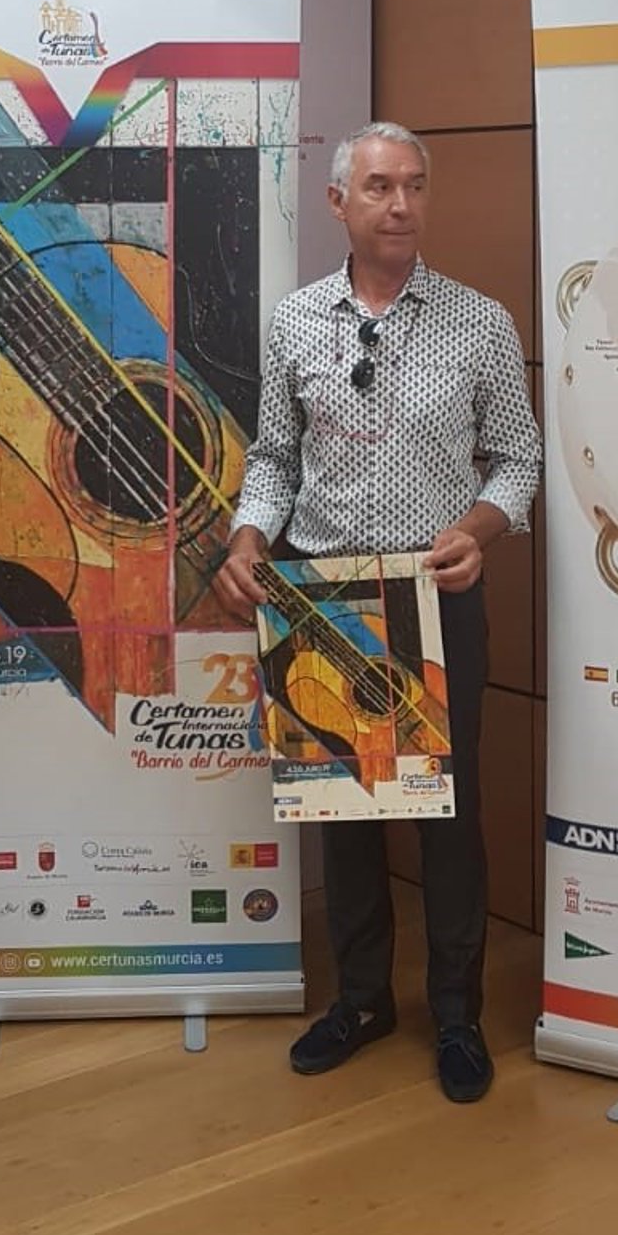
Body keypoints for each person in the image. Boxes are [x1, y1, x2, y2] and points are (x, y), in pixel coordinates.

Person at [214, 123, 542, 1103]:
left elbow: (518, 458)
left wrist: (478, 528)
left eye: (415, 185)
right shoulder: (295, 321)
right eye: (379, 186)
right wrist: (246, 538)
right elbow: (274, 457)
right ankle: (361, 999)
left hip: (434, 595)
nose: (401, 204)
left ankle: (456, 1013)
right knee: (344, 812)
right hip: (321, 592)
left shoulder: (480, 322)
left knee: (447, 815)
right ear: (338, 201)